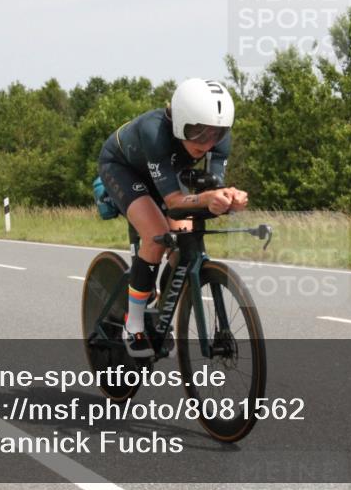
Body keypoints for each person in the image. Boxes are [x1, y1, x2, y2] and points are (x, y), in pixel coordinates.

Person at [97, 78, 248, 357]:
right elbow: (175, 202)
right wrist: (206, 198)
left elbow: (212, 189)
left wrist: (228, 198)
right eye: (199, 133)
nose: (207, 143)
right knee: (155, 237)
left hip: (164, 174)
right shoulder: (154, 132)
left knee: (184, 245)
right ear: (180, 123)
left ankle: (159, 309)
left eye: (216, 133)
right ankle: (135, 322)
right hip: (123, 169)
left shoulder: (217, 141)